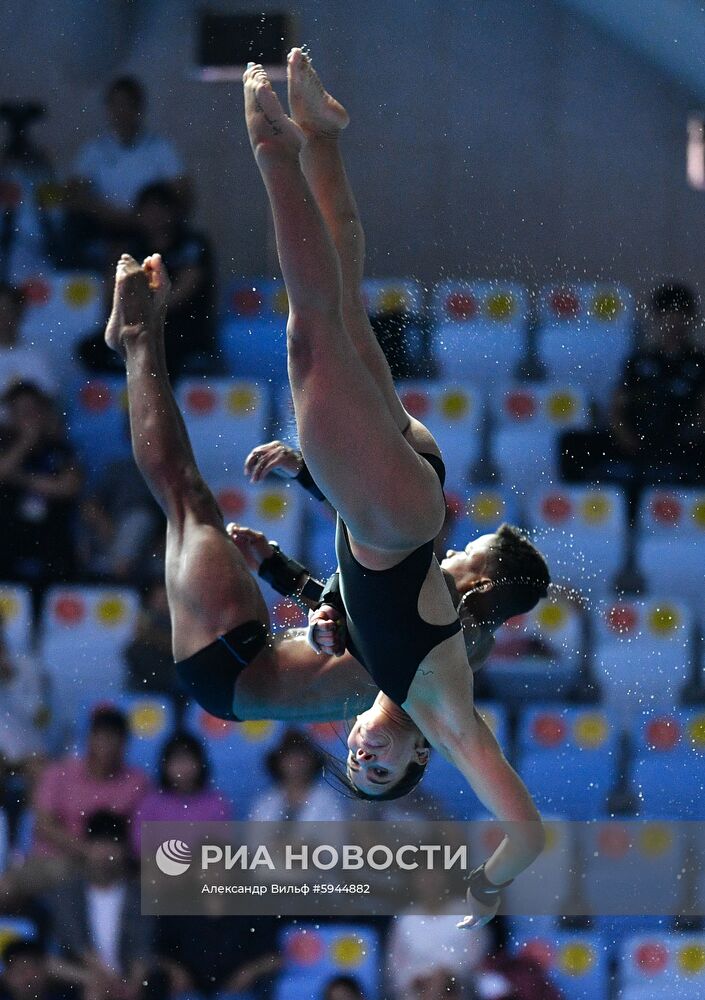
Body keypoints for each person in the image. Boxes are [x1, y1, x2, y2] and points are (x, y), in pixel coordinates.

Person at [242, 50, 547, 924]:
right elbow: (525, 834)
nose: (358, 750)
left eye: (352, 762)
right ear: (417, 758)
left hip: (391, 500)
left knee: (337, 311)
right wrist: (487, 888)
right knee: (309, 338)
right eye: (379, 768)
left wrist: (301, 501)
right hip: (393, 514)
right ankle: (272, 148)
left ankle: (322, 140)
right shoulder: (445, 709)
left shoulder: (378, 669)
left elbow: (344, 594)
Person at [561, 282, 705, 511]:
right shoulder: (638, 362)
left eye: (680, 316)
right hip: (638, 443)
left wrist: (688, 434)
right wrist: (625, 436)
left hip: (681, 444)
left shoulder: (699, 362)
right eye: (667, 316)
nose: (673, 324)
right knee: (571, 442)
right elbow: (617, 407)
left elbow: (701, 414)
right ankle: (589, 507)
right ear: (657, 319)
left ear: (691, 320)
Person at [67, 77, 190, 259]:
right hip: (105, 229)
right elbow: (74, 194)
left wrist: (147, 218)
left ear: (139, 108)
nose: (122, 111)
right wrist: (110, 215)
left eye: (128, 104)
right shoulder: (94, 150)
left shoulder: (160, 148)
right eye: (116, 105)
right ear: (108, 108)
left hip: (149, 233)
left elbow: (183, 193)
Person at [30, 706, 150, 883]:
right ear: (89, 739)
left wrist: (108, 853)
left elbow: (140, 831)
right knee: (7, 886)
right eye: (102, 737)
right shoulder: (58, 773)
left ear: (125, 744)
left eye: (114, 738)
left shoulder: (138, 782)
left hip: (114, 865)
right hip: (58, 858)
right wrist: (87, 850)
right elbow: (43, 826)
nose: (107, 745)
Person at [47, 811, 153, 1000]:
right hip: (82, 978)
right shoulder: (67, 893)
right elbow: (76, 944)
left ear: (123, 850)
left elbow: (141, 949)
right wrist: (106, 981)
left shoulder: (138, 895)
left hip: (126, 980)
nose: (105, 853)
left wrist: (133, 986)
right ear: (86, 847)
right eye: (98, 844)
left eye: (112, 845)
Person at [0, 381, 82, 587]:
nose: (27, 417)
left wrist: (20, 479)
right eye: (20, 411)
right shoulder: (4, 444)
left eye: (32, 410)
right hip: (9, 538)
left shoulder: (59, 448)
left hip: (51, 538)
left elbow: (69, 487)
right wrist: (26, 442)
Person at [130, 732, 232, 854]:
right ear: (165, 765)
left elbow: (220, 845)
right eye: (177, 761)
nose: (183, 768)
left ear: (201, 764)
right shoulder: (151, 803)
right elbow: (139, 845)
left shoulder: (216, 803)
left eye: (188, 760)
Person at [248, 727, 347, 821]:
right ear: (279, 763)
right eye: (290, 757)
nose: (296, 764)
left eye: (301, 758)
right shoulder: (266, 802)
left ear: (312, 762)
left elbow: (337, 836)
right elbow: (255, 836)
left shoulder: (326, 801)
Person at [0, 283, 56, 397]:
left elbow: (48, 402)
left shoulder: (36, 357)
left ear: (19, 313)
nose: (2, 316)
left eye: (6, 309)